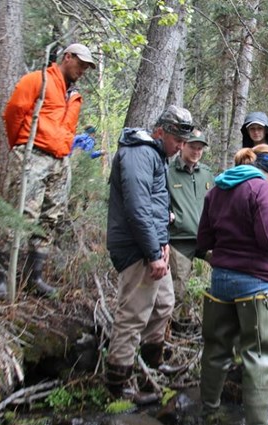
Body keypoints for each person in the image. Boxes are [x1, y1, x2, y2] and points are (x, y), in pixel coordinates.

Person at [197, 145, 268, 425]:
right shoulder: (260, 188)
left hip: (221, 281)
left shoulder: (216, 189)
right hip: (256, 282)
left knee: (216, 349)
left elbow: (203, 240)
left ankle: (209, 415)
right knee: (257, 356)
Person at [105, 105, 194, 403]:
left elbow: (153, 204)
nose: (181, 147)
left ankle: (151, 366)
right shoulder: (139, 153)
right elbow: (137, 207)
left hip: (153, 245)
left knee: (164, 303)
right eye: (177, 141)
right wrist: (154, 252)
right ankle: (119, 385)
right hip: (137, 249)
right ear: (160, 132)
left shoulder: (155, 155)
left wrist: (163, 234)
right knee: (132, 316)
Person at [0, 43, 96, 300]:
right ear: (67, 57)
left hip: (60, 161)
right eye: (81, 64)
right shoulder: (37, 80)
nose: (83, 70)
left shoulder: (74, 96)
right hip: (33, 155)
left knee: (49, 218)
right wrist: (21, 147)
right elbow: (13, 113)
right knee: (22, 214)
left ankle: (34, 278)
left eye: (87, 67)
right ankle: (2, 278)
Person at [167, 129, 215, 318]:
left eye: (200, 148)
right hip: (179, 239)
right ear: (183, 146)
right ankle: (178, 326)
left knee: (226, 269)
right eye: (193, 147)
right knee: (178, 287)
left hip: (206, 238)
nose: (196, 152)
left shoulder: (207, 173)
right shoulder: (168, 172)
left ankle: (215, 318)